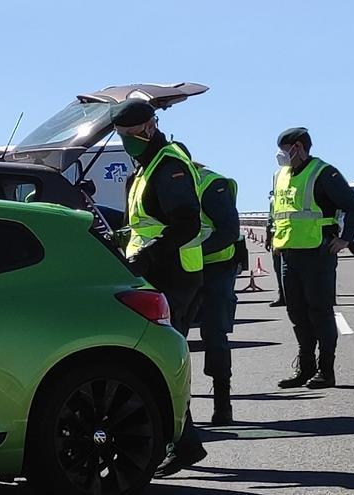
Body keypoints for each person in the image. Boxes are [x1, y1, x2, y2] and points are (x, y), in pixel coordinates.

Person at [111, 98, 208, 477]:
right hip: (153, 273)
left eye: (131, 135)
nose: (126, 142)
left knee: (164, 360)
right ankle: (184, 444)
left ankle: (181, 444)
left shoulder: (169, 165)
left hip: (174, 274)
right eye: (121, 136)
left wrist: (148, 254)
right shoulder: (146, 165)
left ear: (150, 127)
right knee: (156, 359)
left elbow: (186, 223)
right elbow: (143, 223)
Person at [271, 127, 354, 389]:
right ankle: (305, 367)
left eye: (284, 149)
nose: (281, 155)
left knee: (320, 312)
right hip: (289, 254)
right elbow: (280, 212)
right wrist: (275, 239)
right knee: (297, 313)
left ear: (298, 147)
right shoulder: (280, 176)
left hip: (317, 253)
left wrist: (346, 238)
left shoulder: (323, 173)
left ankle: (326, 371)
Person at [195, 163, 241, 425]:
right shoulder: (149, 179)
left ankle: (223, 405)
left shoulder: (210, 183)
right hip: (178, 271)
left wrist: (191, 253)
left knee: (214, 334)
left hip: (216, 268)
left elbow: (229, 231)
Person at [265, 170, 286, 307]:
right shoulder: (273, 200)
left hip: (288, 237)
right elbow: (270, 219)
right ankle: (282, 296)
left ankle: (290, 296)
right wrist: (268, 237)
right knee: (278, 269)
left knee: (287, 270)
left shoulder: (287, 196)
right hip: (276, 237)